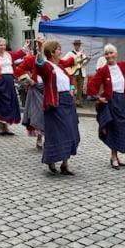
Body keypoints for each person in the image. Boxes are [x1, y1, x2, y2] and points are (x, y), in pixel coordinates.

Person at [35, 39, 79, 175]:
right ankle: (51, 159)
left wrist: (72, 88)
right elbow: (39, 64)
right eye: (59, 49)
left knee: (70, 131)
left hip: (67, 102)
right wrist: (40, 49)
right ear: (52, 52)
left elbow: (69, 79)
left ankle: (65, 164)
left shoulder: (60, 66)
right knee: (56, 134)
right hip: (55, 103)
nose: (61, 51)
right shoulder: (48, 66)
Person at [14, 34, 45, 150]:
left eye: (43, 42)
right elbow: (18, 70)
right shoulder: (31, 58)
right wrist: (28, 79)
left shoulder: (51, 59)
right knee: (38, 114)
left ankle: (50, 138)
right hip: (36, 89)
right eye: (39, 42)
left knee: (49, 115)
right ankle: (39, 138)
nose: (41, 44)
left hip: (49, 89)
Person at [66, 39, 88, 107]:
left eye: (78, 45)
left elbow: (84, 64)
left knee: (80, 88)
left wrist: (87, 60)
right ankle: (71, 101)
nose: (77, 46)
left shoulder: (83, 54)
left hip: (81, 72)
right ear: (74, 45)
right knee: (72, 87)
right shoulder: (70, 53)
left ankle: (78, 102)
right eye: (76, 45)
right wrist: (73, 63)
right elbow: (65, 60)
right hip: (74, 72)